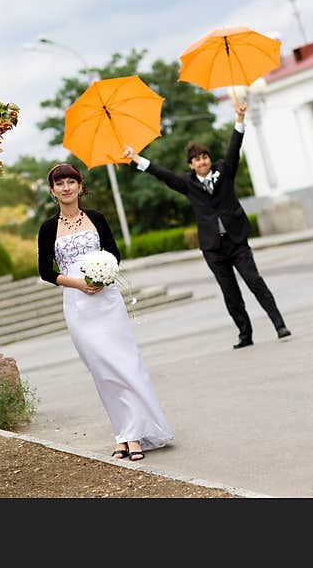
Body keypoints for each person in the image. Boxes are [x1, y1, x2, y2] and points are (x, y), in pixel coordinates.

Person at [122, 100, 291, 349]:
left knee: (255, 281)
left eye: (204, 157)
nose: (202, 162)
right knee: (230, 292)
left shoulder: (225, 171)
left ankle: (279, 325)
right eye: (196, 160)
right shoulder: (187, 184)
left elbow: (234, 147)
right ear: (191, 165)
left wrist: (240, 119)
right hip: (213, 248)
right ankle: (245, 335)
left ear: (209, 159)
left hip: (236, 241)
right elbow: (163, 174)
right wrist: (136, 158)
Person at [37, 163, 173, 461]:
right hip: (78, 305)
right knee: (102, 371)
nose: (66, 187)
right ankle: (123, 431)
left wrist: (102, 275)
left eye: (72, 181)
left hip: (107, 302)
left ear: (80, 186)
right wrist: (79, 284)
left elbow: (114, 252)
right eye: (60, 183)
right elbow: (46, 271)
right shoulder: (49, 228)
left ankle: (133, 436)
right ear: (52, 190)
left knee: (125, 364)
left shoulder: (96, 218)